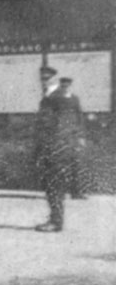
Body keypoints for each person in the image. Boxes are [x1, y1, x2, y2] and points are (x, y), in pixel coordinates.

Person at [33, 67, 85, 232]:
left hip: (55, 146)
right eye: (42, 79)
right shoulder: (63, 96)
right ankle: (55, 218)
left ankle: (56, 221)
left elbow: (54, 124)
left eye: (48, 79)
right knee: (55, 183)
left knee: (53, 184)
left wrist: (49, 144)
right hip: (63, 145)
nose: (44, 81)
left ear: (55, 80)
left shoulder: (56, 98)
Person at [59, 77, 89, 200]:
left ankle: (77, 192)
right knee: (61, 165)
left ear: (70, 86)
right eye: (63, 86)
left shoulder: (75, 99)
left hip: (73, 136)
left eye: (67, 86)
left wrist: (81, 136)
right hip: (60, 136)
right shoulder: (56, 100)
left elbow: (80, 118)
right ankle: (60, 192)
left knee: (76, 164)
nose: (65, 88)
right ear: (61, 86)